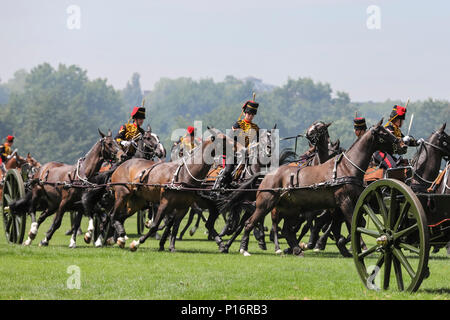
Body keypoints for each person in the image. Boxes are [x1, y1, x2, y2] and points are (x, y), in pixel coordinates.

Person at [218, 100, 260, 188]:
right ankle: (223, 184)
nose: (250, 116)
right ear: (244, 113)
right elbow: (229, 138)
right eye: (248, 114)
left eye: (252, 115)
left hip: (248, 153)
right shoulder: (238, 124)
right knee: (229, 169)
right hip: (234, 151)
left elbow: (258, 141)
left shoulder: (255, 128)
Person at [373, 104, 416, 169]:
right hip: (381, 153)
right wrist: (403, 139)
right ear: (398, 120)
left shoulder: (397, 130)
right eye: (402, 120)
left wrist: (417, 142)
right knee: (393, 168)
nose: (403, 122)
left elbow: (406, 141)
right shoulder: (388, 127)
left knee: (403, 165)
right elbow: (392, 138)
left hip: (388, 154)